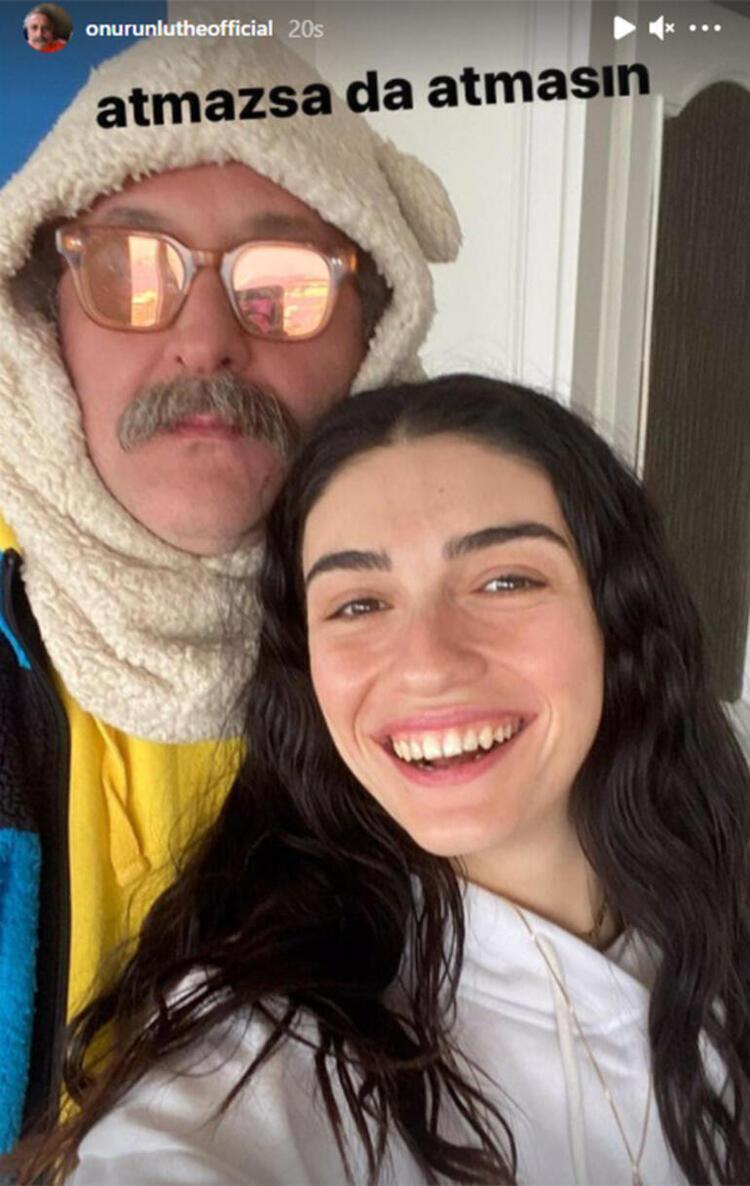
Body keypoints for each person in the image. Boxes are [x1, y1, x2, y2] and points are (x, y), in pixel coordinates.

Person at [12, 375, 749, 1185]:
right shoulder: (259, 1055)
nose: (428, 664)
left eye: (505, 581)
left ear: (617, 615)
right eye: (359, 604)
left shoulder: (725, 905)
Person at [0, 33, 460, 1151]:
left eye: (285, 281)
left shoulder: (479, 663)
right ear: (45, 321)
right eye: (127, 269)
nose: (204, 341)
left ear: (374, 332)